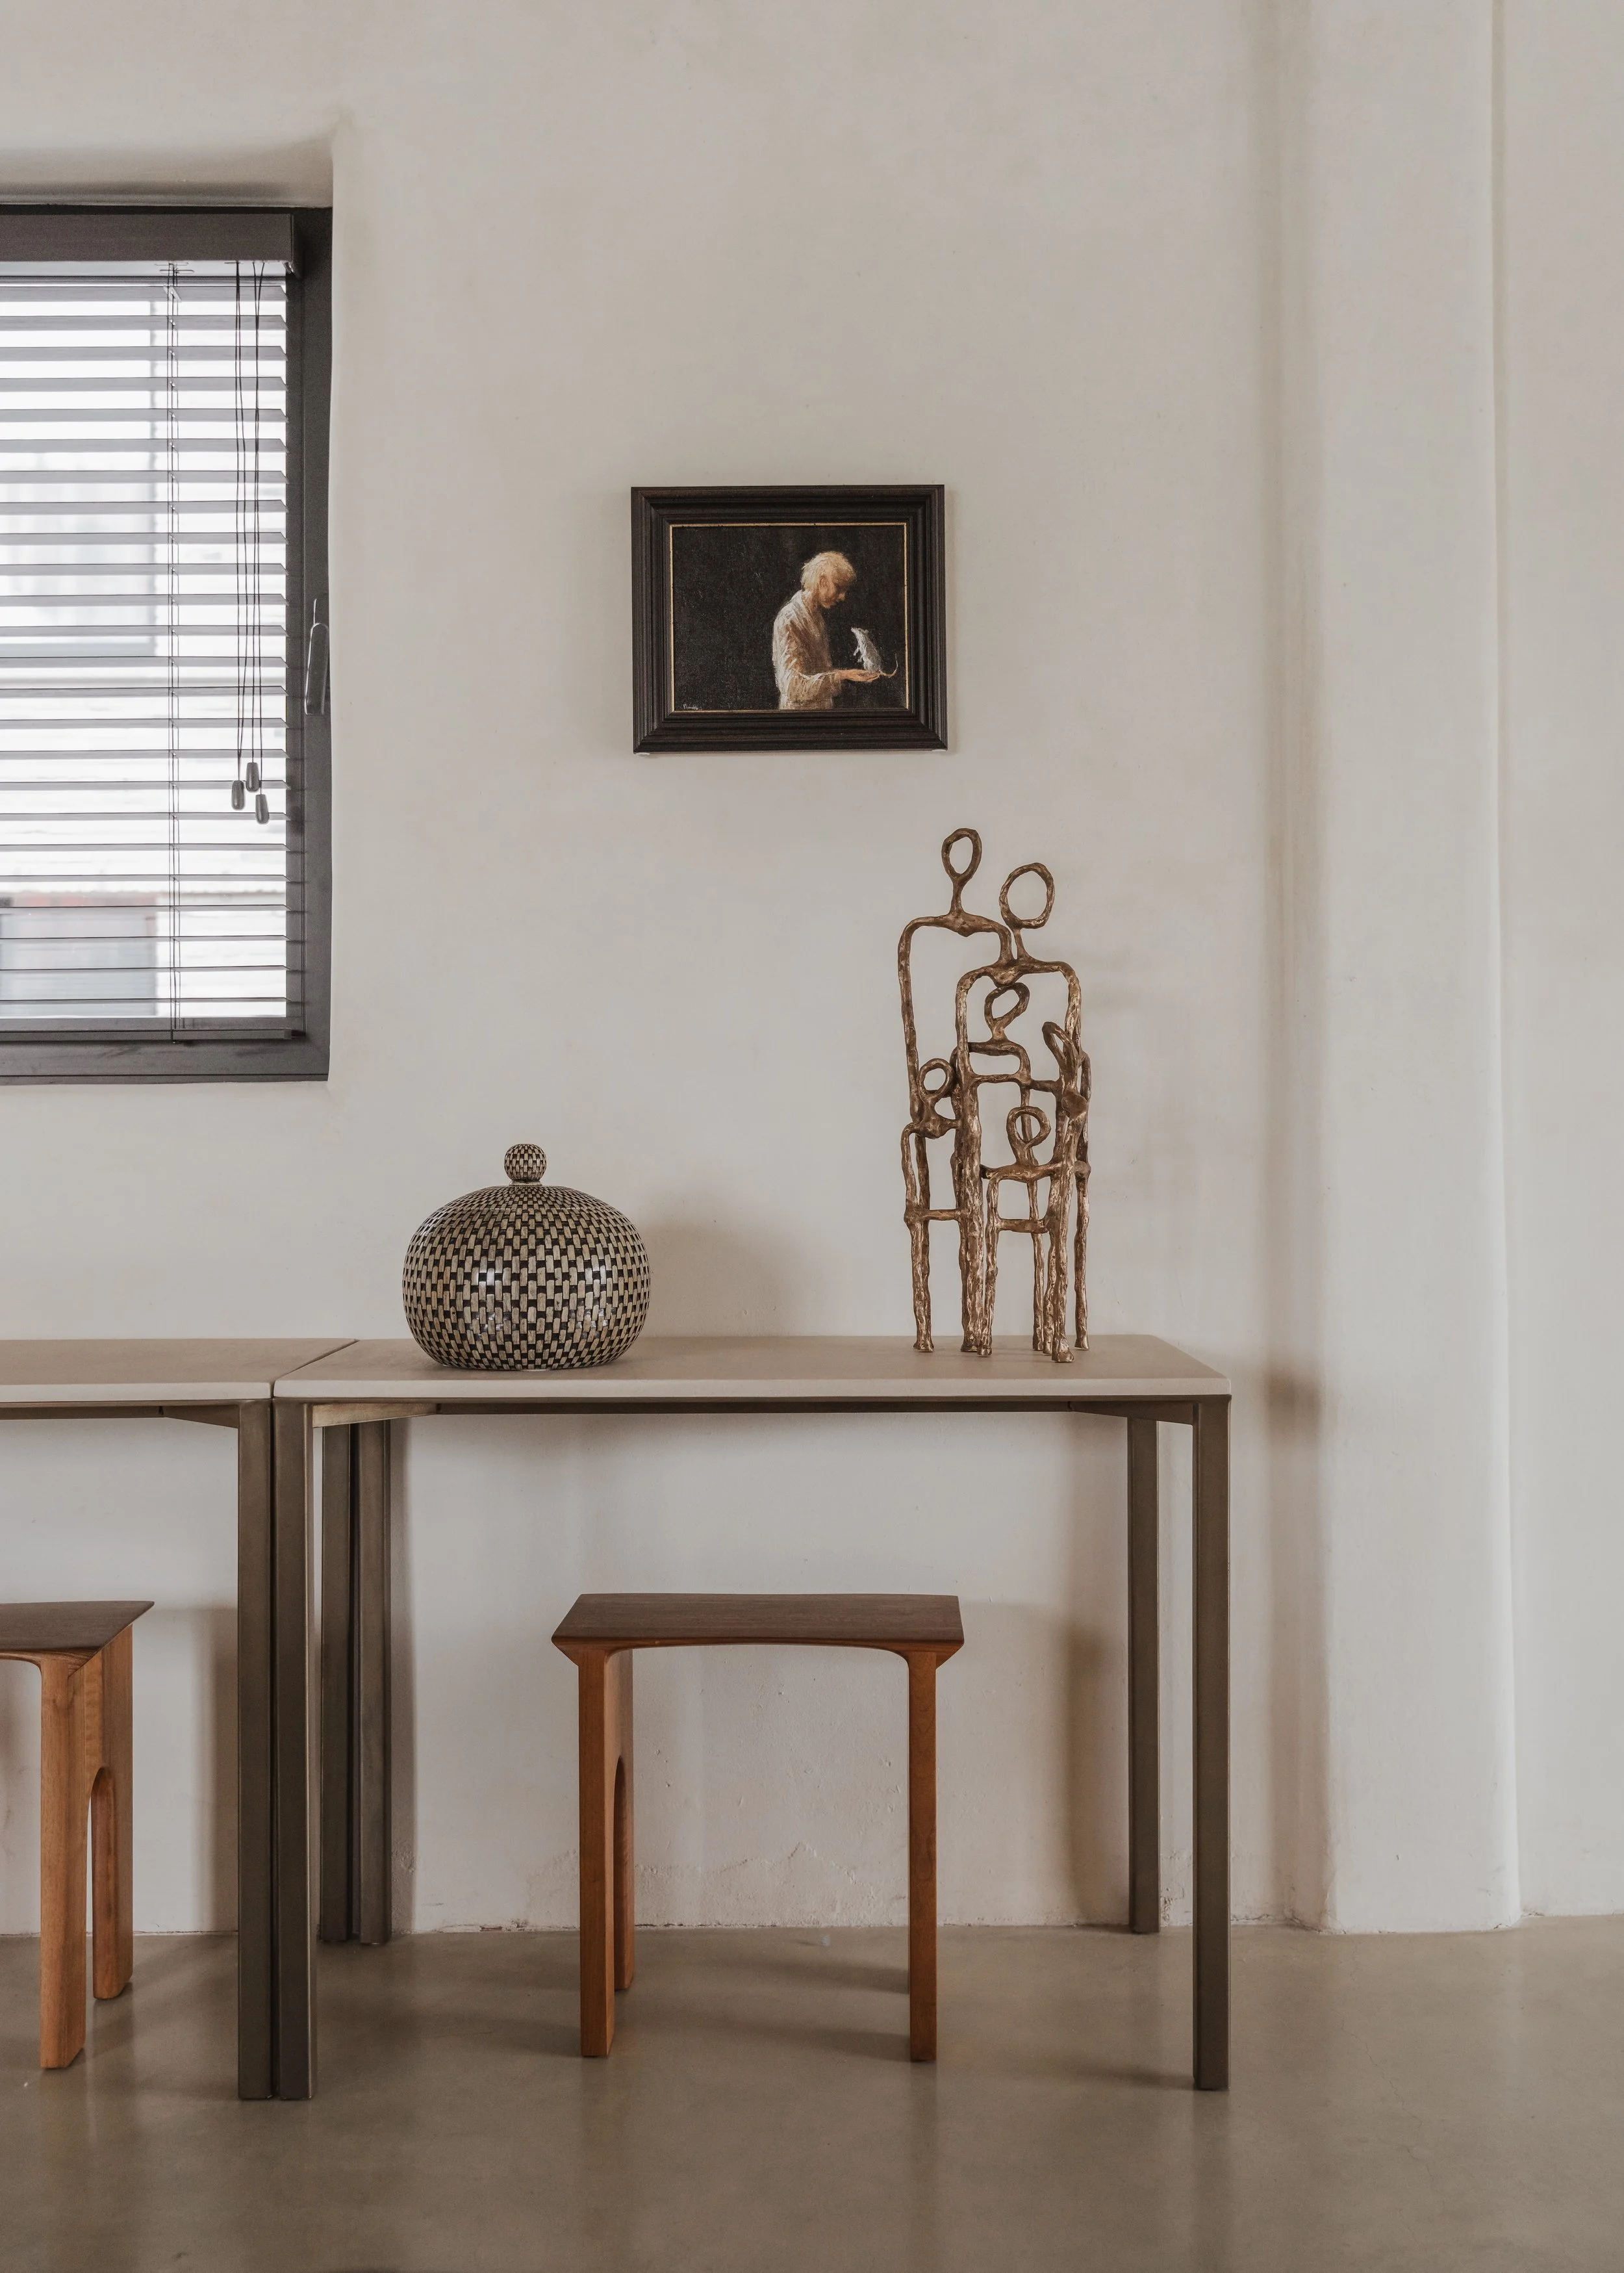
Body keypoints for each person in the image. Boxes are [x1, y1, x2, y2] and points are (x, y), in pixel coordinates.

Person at [771, 550, 882, 710]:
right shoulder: (790, 619)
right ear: (822, 582)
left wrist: (847, 676)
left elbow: (819, 672)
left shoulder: (815, 615)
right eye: (839, 588)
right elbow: (792, 686)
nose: (842, 597)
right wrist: (843, 675)